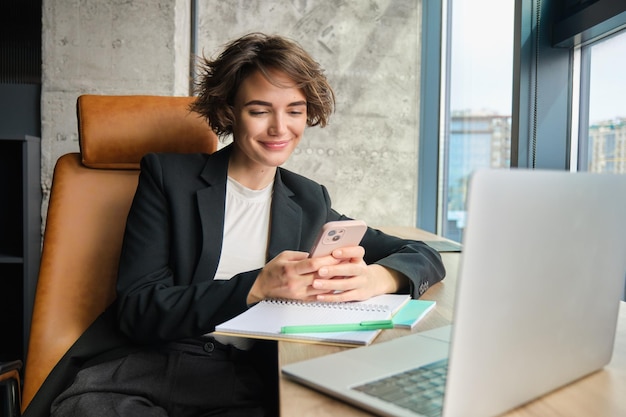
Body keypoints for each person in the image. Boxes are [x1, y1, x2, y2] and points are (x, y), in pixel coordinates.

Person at [44, 32, 445, 417]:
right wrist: (256, 286)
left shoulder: (308, 201)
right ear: (229, 111)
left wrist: (380, 278)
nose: (279, 128)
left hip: (241, 383)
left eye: (294, 111)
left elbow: (424, 255)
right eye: (259, 110)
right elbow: (138, 310)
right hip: (147, 366)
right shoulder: (169, 179)